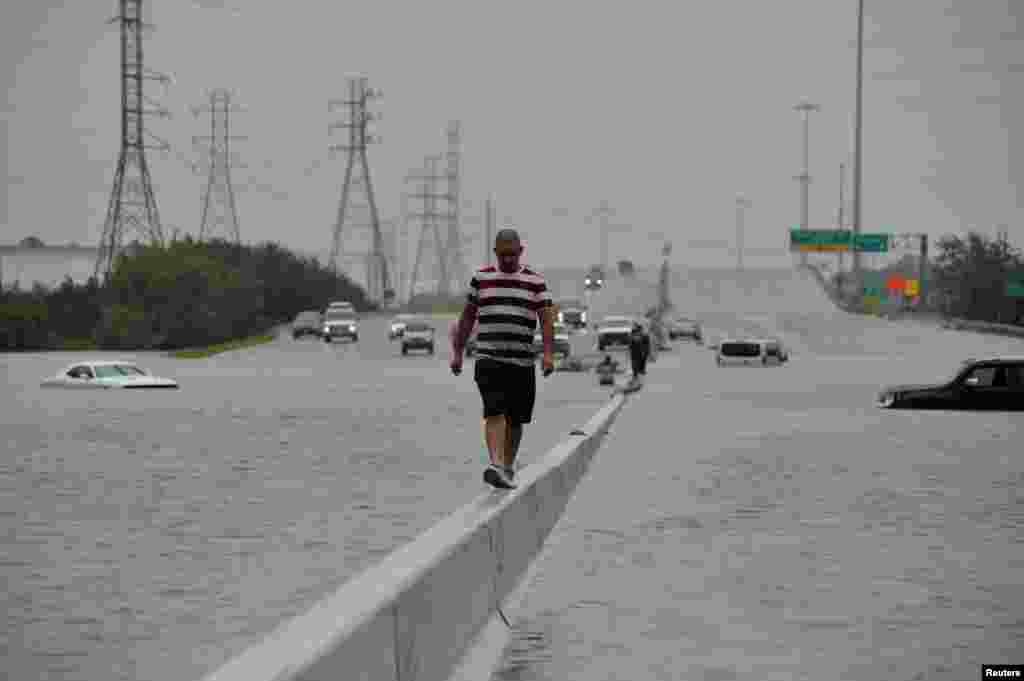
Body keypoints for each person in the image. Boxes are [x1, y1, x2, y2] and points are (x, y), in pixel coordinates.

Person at [449, 228, 555, 490]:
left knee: (516, 420)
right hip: (489, 358)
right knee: (494, 409)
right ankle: (496, 464)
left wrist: (549, 354)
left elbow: (546, 320)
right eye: (503, 254)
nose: (508, 259)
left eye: (512, 254)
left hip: (522, 361)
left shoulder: (535, 282)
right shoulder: (481, 279)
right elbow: (467, 318)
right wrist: (458, 353)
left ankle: (507, 466)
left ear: (521, 252)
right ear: (496, 253)